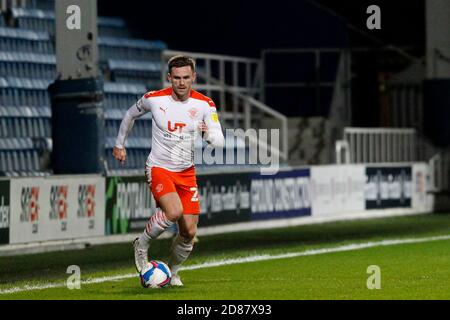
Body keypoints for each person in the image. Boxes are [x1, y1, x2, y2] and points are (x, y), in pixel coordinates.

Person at [112, 55, 225, 286]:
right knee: (173, 212)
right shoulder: (154, 99)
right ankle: (141, 244)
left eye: (186, 78)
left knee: (189, 233)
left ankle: (172, 272)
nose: (182, 83)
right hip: (159, 167)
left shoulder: (205, 104)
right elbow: (130, 114)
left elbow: (219, 139)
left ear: (193, 77)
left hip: (186, 172)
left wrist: (208, 135)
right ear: (169, 78)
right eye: (176, 78)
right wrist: (119, 144)